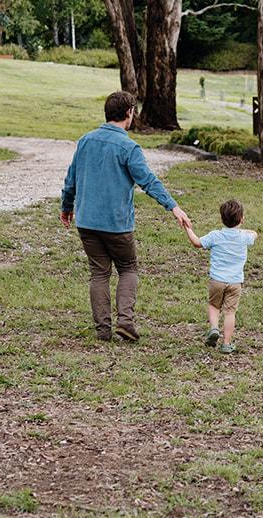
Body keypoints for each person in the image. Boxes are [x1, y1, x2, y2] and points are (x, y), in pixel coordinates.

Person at [61, 90, 191, 342]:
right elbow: (148, 181)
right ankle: (126, 322)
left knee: (99, 273)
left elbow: (71, 179)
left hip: (87, 222)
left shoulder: (85, 140)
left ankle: (102, 330)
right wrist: (173, 207)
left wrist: (66, 206)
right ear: (129, 113)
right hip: (116, 224)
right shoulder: (129, 147)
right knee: (128, 268)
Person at [184, 197, 257, 355]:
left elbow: (197, 243)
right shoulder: (244, 237)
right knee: (230, 312)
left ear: (222, 219)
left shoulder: (215, 235)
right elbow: (254, 234)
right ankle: (226, 343)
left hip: (216, 280)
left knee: (214, 306)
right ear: (242, 219)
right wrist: (240, 230)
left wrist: (188, 229)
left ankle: (214, 328)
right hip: (235, 282)